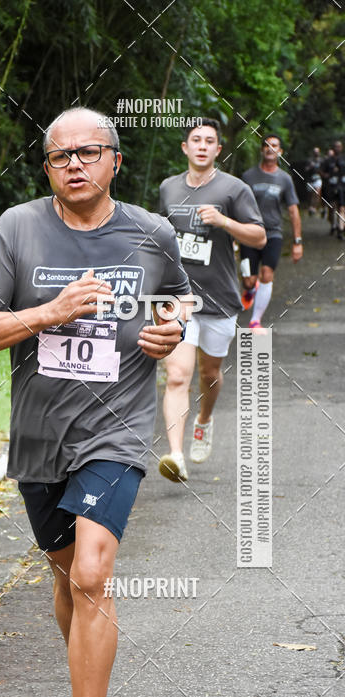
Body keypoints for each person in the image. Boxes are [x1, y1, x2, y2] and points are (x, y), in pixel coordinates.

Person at [0, 107, 191, 697]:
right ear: (47, 167)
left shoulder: (150, 232)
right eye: (62, 156)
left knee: (91, 572)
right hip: (40, 435)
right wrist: (49, 313)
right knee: (67, 578)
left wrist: (171, 330)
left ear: (116, 160)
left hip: (116, 429)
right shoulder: (17, 229)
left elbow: (178, 300)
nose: (76, 164)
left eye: (90, 152)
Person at [157, 118, 266, 483]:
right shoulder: (169, 187)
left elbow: (259, 237)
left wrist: (224, 221)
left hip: (219, 297)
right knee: (177, 375)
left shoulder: (234, 189)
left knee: (209, 374)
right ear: (185, 147)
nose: (202, 146)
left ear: (218, 149)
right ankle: (176, 455)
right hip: (178, 298)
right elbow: (160, 236)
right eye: (196, 140)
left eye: (209, 141)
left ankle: (204, 420)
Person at [240, 134, 303, 327]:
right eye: (266, 145)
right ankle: (251, 289)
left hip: (273, 234)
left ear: (280, 151)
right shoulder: (248, 176)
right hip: (249, 233)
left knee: (267, 273)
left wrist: (297, 242)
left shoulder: (285, 179)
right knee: (248, 280)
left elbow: (293, 211)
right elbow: (238, 205)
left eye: (274, 145)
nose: (270, 148)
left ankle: (255, 320)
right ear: (262, 150)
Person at [304, 147, 323, 215]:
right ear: (313, 153)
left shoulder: (321, 161)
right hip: (310, 180)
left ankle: (314, 207)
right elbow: (305, 169)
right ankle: (310, 206)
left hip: (318, 179)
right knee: (310, 195)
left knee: (317, 193)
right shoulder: (309, 160)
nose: (316, 153)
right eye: (315, 152)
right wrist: (310, 167)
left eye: (317, 152)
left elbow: (324, 169)